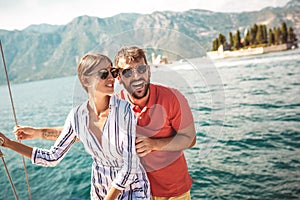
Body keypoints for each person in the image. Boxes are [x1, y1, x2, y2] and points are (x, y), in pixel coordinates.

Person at [14, 46, 196, 199]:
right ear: (119, 77)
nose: (136, 76)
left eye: (141, 69)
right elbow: (84, 131)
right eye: (126, 72)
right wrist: (37, 132)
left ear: (148, 70)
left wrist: (154, 144)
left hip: (173, 190)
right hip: (131, 191)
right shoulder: (115, 104)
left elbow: (189, 139)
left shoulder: (172, 98)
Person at [0, 53, 150, 199]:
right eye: (104, 73)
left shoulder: (124, 110)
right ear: (86, 80)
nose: (112, 77)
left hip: (132, 188)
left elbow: (130, 165)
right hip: (100, 188)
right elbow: (52, 157)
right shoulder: (76, 116)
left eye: (113, 71)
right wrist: (8, 143)